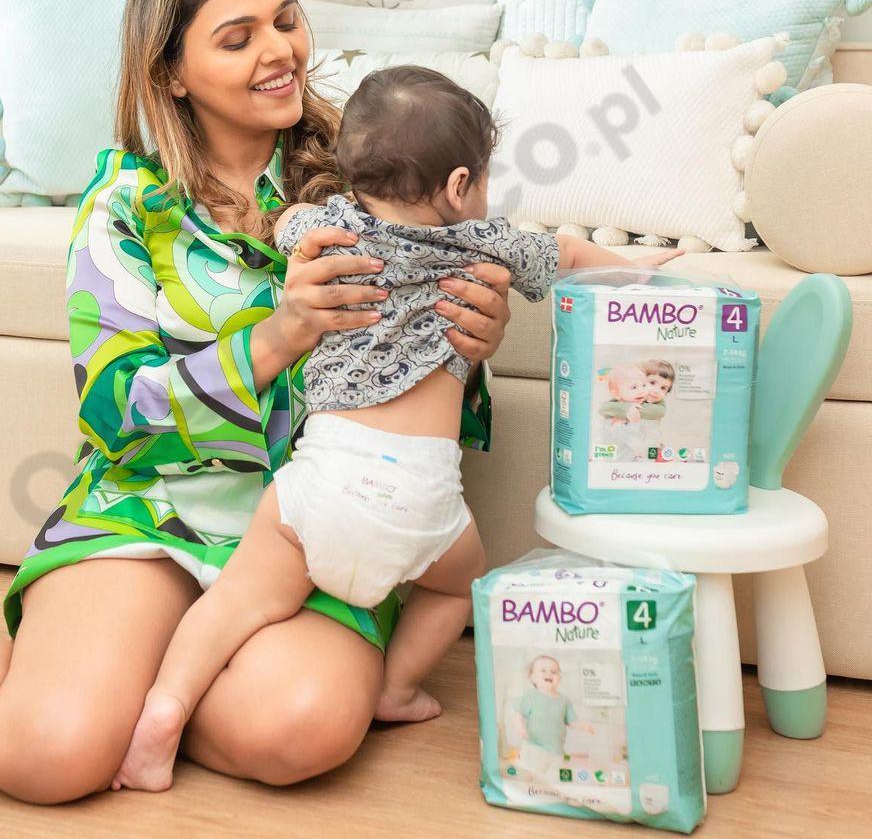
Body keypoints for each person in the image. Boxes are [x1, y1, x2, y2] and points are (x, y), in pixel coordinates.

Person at [0, 0, 677, 803]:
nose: (279, 51)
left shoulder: (378, 166)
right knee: (51, 754)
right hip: (156, 508)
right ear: (171, 72)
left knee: (298, 728)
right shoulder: (125, 207)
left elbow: (421, 402)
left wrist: (473, 343)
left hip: (324, 526)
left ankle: (140, 686)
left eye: (286, 20)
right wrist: (278, 336)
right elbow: (114, 412)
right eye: (237, 36)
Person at [111, 65, 684, 792]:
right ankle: (396, 688)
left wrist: (285, 221)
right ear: (458, 185)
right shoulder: (485, 243)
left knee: (233, 604)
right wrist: (637, 270)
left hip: (322, 485)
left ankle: (165, 709)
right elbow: (570, 258)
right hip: (421, 506)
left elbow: (283, 223)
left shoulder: (330, 230)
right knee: (458, 584)